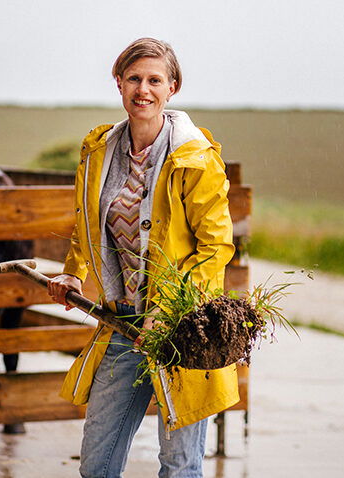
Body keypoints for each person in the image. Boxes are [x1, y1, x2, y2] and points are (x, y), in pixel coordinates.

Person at [47, 38, 239, 478]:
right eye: (134, 78)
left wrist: (166, 310)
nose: (143, 89)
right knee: (97, 462)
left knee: (179, 464)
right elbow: (88, 225)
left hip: (181, 331)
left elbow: (215, 248)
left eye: (155, 80)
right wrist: (74, 275)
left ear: (172, 88)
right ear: (118, 83)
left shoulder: (194, 158)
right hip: (121, 324)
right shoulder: (98, 151)